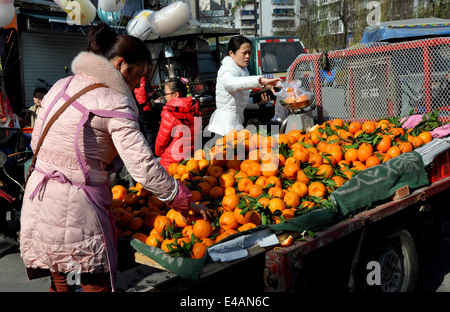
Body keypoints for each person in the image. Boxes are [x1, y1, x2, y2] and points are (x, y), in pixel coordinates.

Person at [19, 22, 209, 293]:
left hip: (39, 196)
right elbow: (142, 166)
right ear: (120, 65)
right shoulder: (113, 101)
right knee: (94, 283)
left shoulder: (61, 85)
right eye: (138, 75)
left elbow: (37, 141)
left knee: (60, 279)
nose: (138, 83)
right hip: (77, 207)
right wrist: (181, 199)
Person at [206, 35, 282, 137]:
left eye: (249, 53)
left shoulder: (242, 70)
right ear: (231, 53)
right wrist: (262, 80)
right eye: (244, 53)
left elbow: (239, 102)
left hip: (236, 123)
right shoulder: (227, 69)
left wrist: (258, 102)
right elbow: (230, 84)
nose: (247, 56)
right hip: (226, 126)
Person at [155, 77, 201, 170]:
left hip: (171, 161)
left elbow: (162, 140)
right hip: (190, 158)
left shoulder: (170, 111)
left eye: (166, 94)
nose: (165, 96)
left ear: (175, 94)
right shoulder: (194, 108)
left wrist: (158, 152)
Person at [134, 76, 159, 153]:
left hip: (138, 109)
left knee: (141, 131)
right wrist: (156, 94)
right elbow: (151, 94)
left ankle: (142, 150)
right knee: (149, 131)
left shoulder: (135, 82)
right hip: (146, 109)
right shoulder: (145, 83)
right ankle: (150, 150)